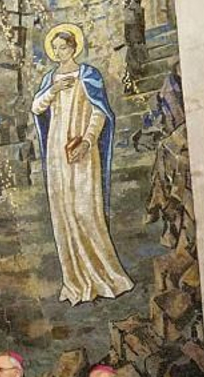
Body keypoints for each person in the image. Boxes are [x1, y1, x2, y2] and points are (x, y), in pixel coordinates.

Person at [31, 23, 134, 305]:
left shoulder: (89, 75)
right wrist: (52, 90)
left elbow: (99, 113)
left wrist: (88, 141)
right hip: (57, 151)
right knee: (64, 211)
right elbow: (37, 108)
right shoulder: (50, 79)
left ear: (74, 47)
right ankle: (75, 279)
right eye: (55, 48)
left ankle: (105, 275)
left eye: (64, 47)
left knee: (85, 210)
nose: (59, 51)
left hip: (82, 149)